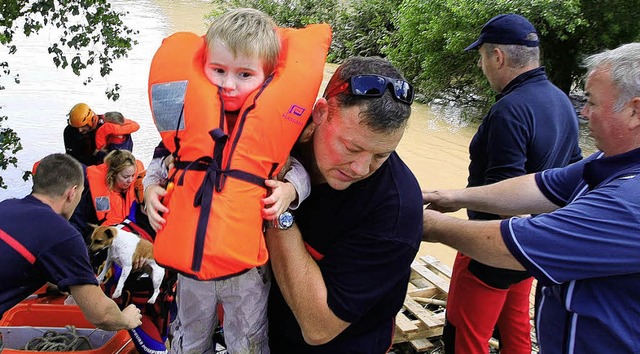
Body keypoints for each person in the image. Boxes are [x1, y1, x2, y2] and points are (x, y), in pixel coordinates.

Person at [423, 42, 640, 354]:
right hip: (535, 263)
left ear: (635, 111)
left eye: (592, 102)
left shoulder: (631, 201)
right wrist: (453, 196)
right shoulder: (600, 153)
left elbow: (520, 241)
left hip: (509, 249)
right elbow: (542, 186)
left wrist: (429, 224)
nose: (584, 111)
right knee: (516, 327)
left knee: (466, 331)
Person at [143, 8, 330, 353]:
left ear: (268, 76)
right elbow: (162, 162)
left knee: (247, 339)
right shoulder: (188, 122)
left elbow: (297, 172)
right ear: (204, 68)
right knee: (189, 336)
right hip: (191, 274)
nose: (229, 84)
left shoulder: (278, 130)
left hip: (246, 272)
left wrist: (289, 191)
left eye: (245, 74)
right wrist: (150, 189)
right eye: (218, 71)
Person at [436, 13, 583, 354]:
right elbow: (572, 172)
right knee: (513, 327)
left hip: (492, 250)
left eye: (481, 55)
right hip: (530, 247)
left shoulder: (510, 110)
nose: (480, 65)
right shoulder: (561, 101)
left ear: (497, 56)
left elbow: (503, 193)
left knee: (463, 335)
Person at [266, 56, 423, 353]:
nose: (361, 168)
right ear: (321, 113)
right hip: (265, 326)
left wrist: (280, 209)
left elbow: (318, 327)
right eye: (351, 148)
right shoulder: (281, 135)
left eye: (381, 155)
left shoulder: (396, 214)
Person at [0, 153, 142, 331]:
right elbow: (101, 315)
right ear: (72, 192)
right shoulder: (62, 234)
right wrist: (126, 319)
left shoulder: (6, 206)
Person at [70, 149, 145, 242]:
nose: (130, 180)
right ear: (113, 175)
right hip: (104, 241)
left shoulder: (138, 189)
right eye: (125, 177)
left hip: (131, 239)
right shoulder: (95, 192)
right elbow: (78, 223)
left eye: (133, 175)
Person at [64, 103, 136, 165]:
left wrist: (99, 154)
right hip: (79, 164)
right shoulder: (70, 131)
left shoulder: (111, 130)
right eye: (77, 127)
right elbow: (71, 156)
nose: (80, 130)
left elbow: (119, 161)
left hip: (102, 166)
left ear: (92, 120)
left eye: (83, 126)